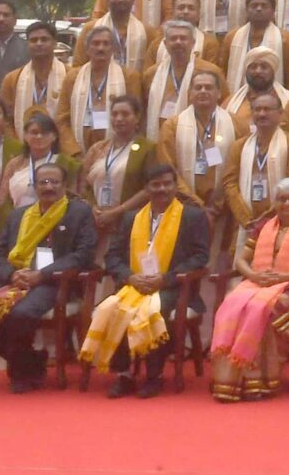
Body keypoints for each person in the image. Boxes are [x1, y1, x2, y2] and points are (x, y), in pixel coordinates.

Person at [79, 161, 210, 398]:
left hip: (173, 287)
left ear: (175, 185)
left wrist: (165, 279)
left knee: (152, 311)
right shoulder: (131, 219)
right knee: (114, 309)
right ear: (147, 189)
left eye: (167, 184)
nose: (162, 189)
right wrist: (130, 277)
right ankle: (124, 374)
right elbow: (113, 256)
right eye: (156, 185)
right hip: (134, 285)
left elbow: (200, 257)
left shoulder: (192, 216)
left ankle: (154, 375)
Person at [0, 160, 99, 391]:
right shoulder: (19, 215)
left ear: (64, 185)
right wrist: (11, 274)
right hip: (16, 282)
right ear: (35, 186)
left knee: (20, 313)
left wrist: (42, 274)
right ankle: (31, 362)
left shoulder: (78, 212)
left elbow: (83, 254)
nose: (49, 187)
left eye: (54, 182)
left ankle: (20, 374)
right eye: (43, 182)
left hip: (56, 283)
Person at [206, 177, 289, 402]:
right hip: (258, 282)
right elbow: (242, 261)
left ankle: (259, 380)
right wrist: (254, 275)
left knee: (261, 309)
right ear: (274, 202)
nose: (287, 204)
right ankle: (229, 378)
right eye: (281, 199)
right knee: (231, 304)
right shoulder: (264, 225)